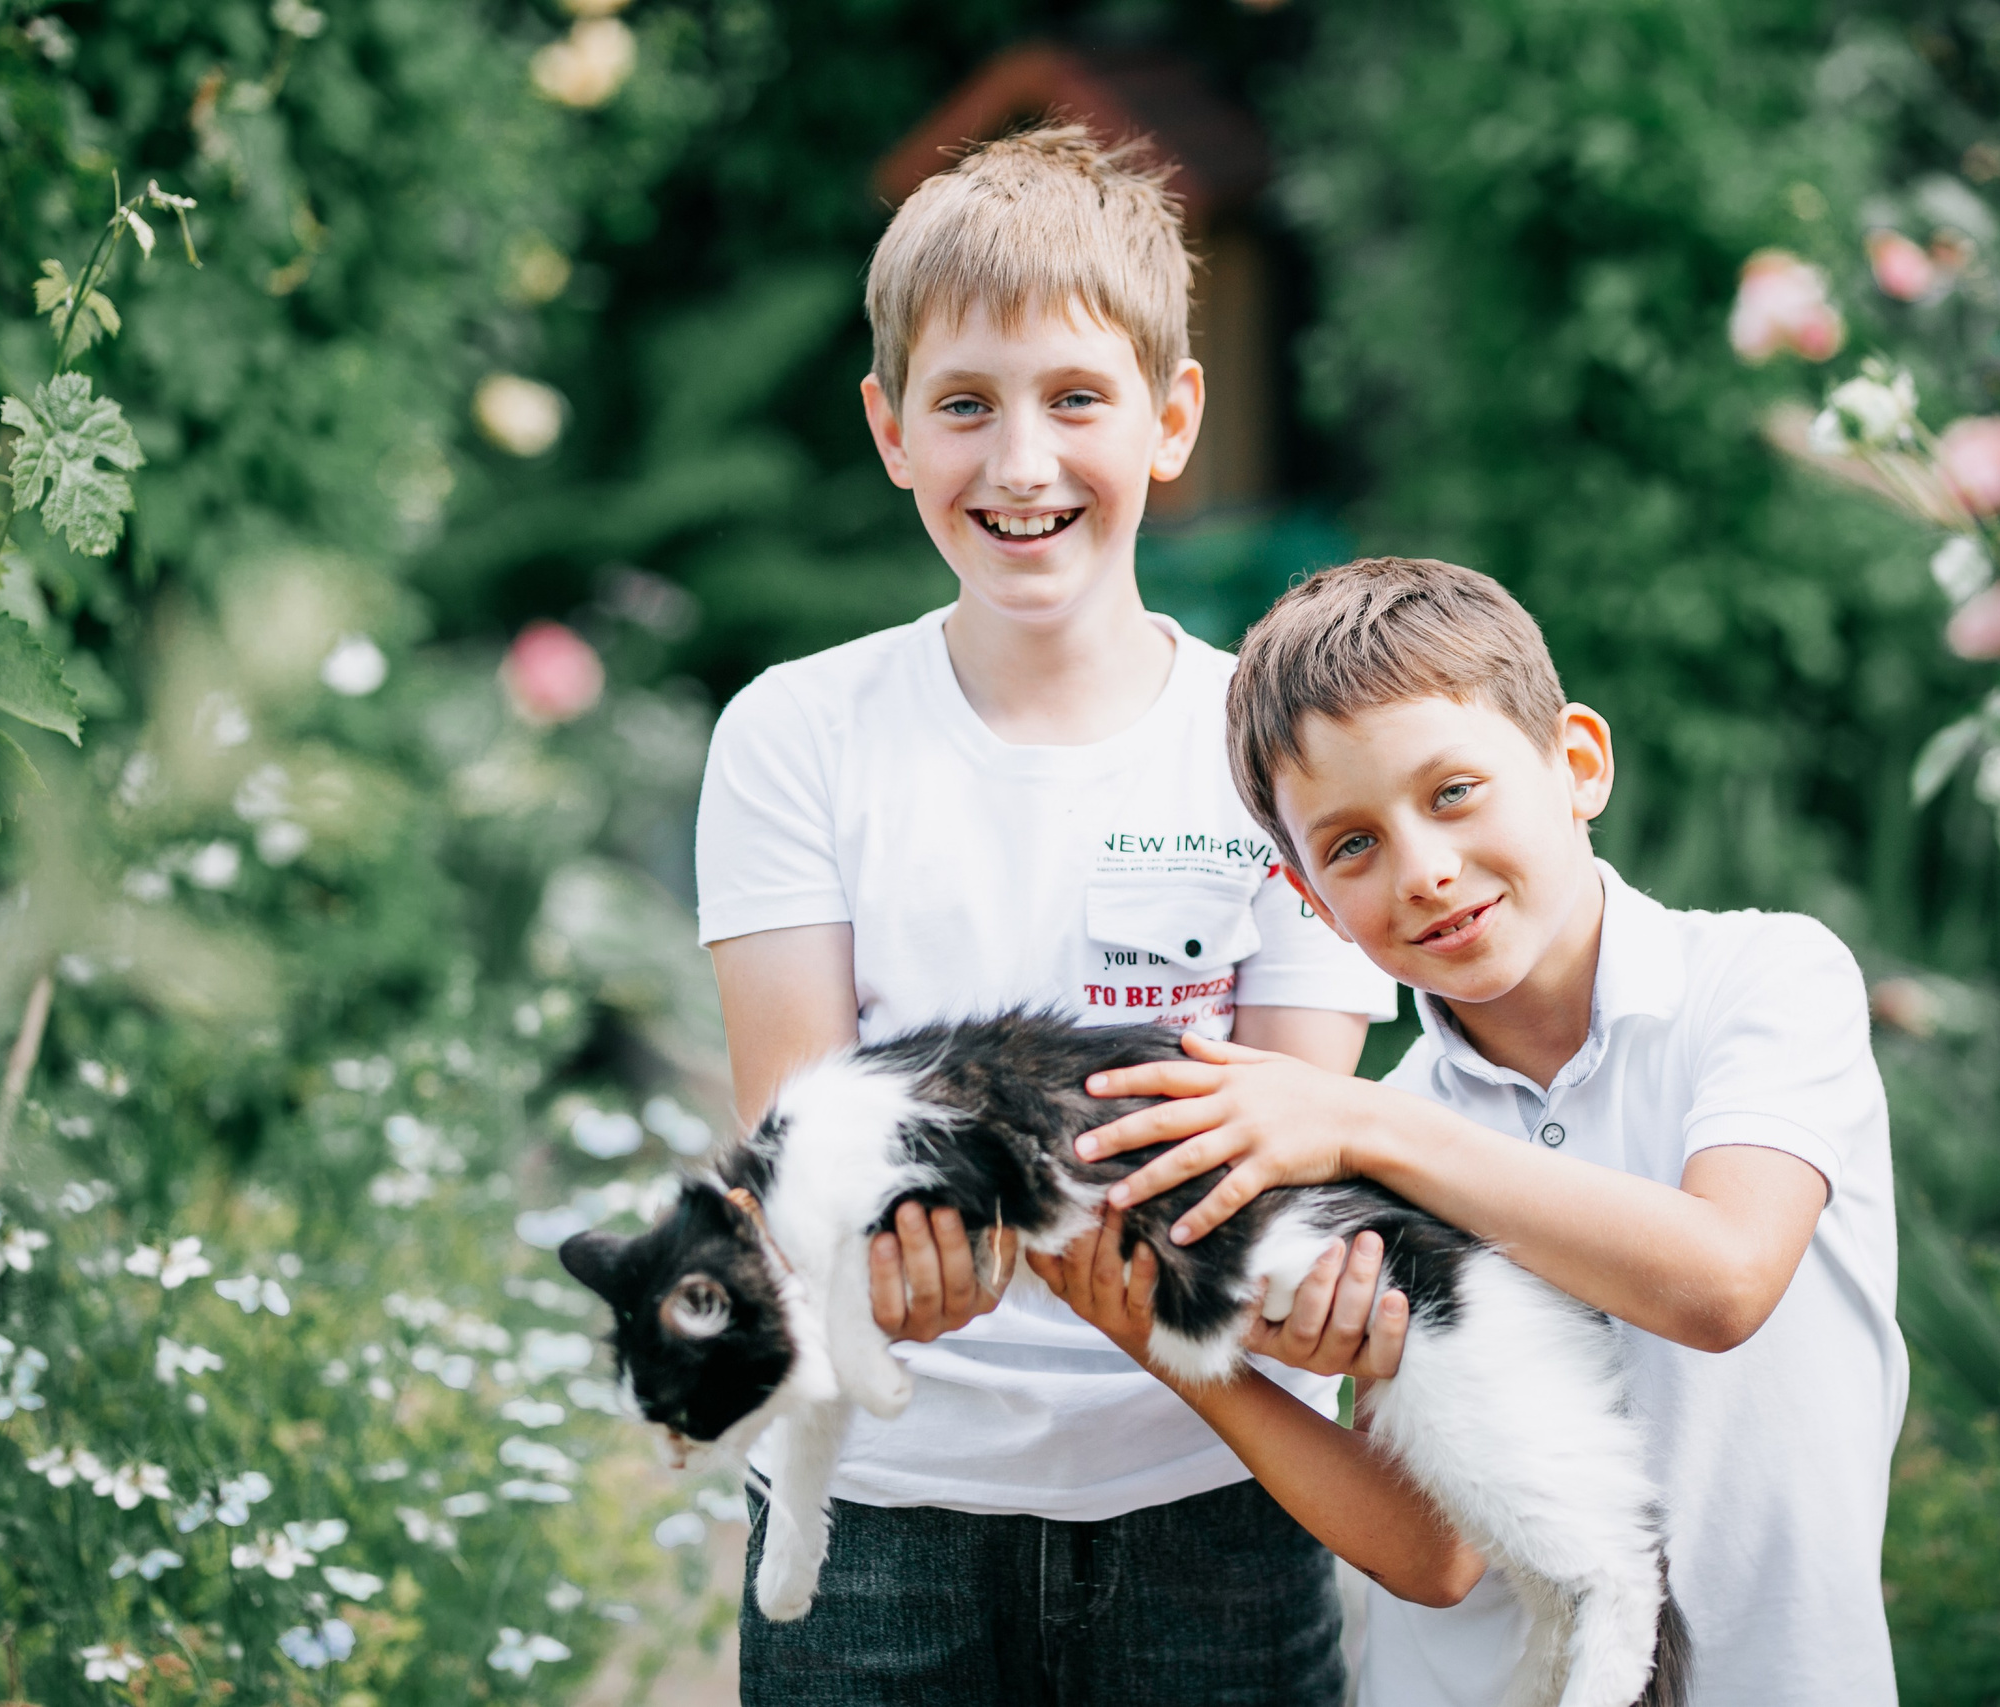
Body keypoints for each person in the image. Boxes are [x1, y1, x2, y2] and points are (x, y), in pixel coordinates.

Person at [693, 128, 1402, 1704]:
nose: (1019, 463)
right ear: (889, 430)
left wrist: (1332, 1302)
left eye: (1075, 397)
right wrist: (879, 1276)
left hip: (1213, 1493)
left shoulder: (1282, 752)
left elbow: (1296, 1143)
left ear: (1173, 417)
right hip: (881, 1512)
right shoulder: (794, 734)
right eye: (965, 404)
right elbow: (796, 1161)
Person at [1060, 556, 1908, 1705]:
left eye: (1452, 792)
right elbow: (1435, 1554)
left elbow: (1722, 1281)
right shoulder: (1386, 1125)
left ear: (1576, 765)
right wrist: (1176, 1348)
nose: (1424, 870)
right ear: (1311, 901)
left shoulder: (1766, 978)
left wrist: (1364, 1126)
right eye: (1350, 846)